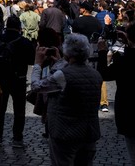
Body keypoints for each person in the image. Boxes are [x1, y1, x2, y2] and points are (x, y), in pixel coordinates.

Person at [31, 33, 102, 166]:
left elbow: (36, 86)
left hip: (65, 132)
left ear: (67, 52)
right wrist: (61, 62)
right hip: (89, 133)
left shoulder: (64, 75)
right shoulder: (95, 74)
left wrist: (37, 64)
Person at [96, 19, 135, 165]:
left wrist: (102, 53)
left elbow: (104, 74)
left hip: (132, 114)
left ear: (131, 38)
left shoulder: (126, 60)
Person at [0, 15, 35, 147]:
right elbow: (31, 59)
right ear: (19, 27)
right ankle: (17, 138)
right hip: (18, 79)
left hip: (0, 78)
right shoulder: (24, 41)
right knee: (19, 110)